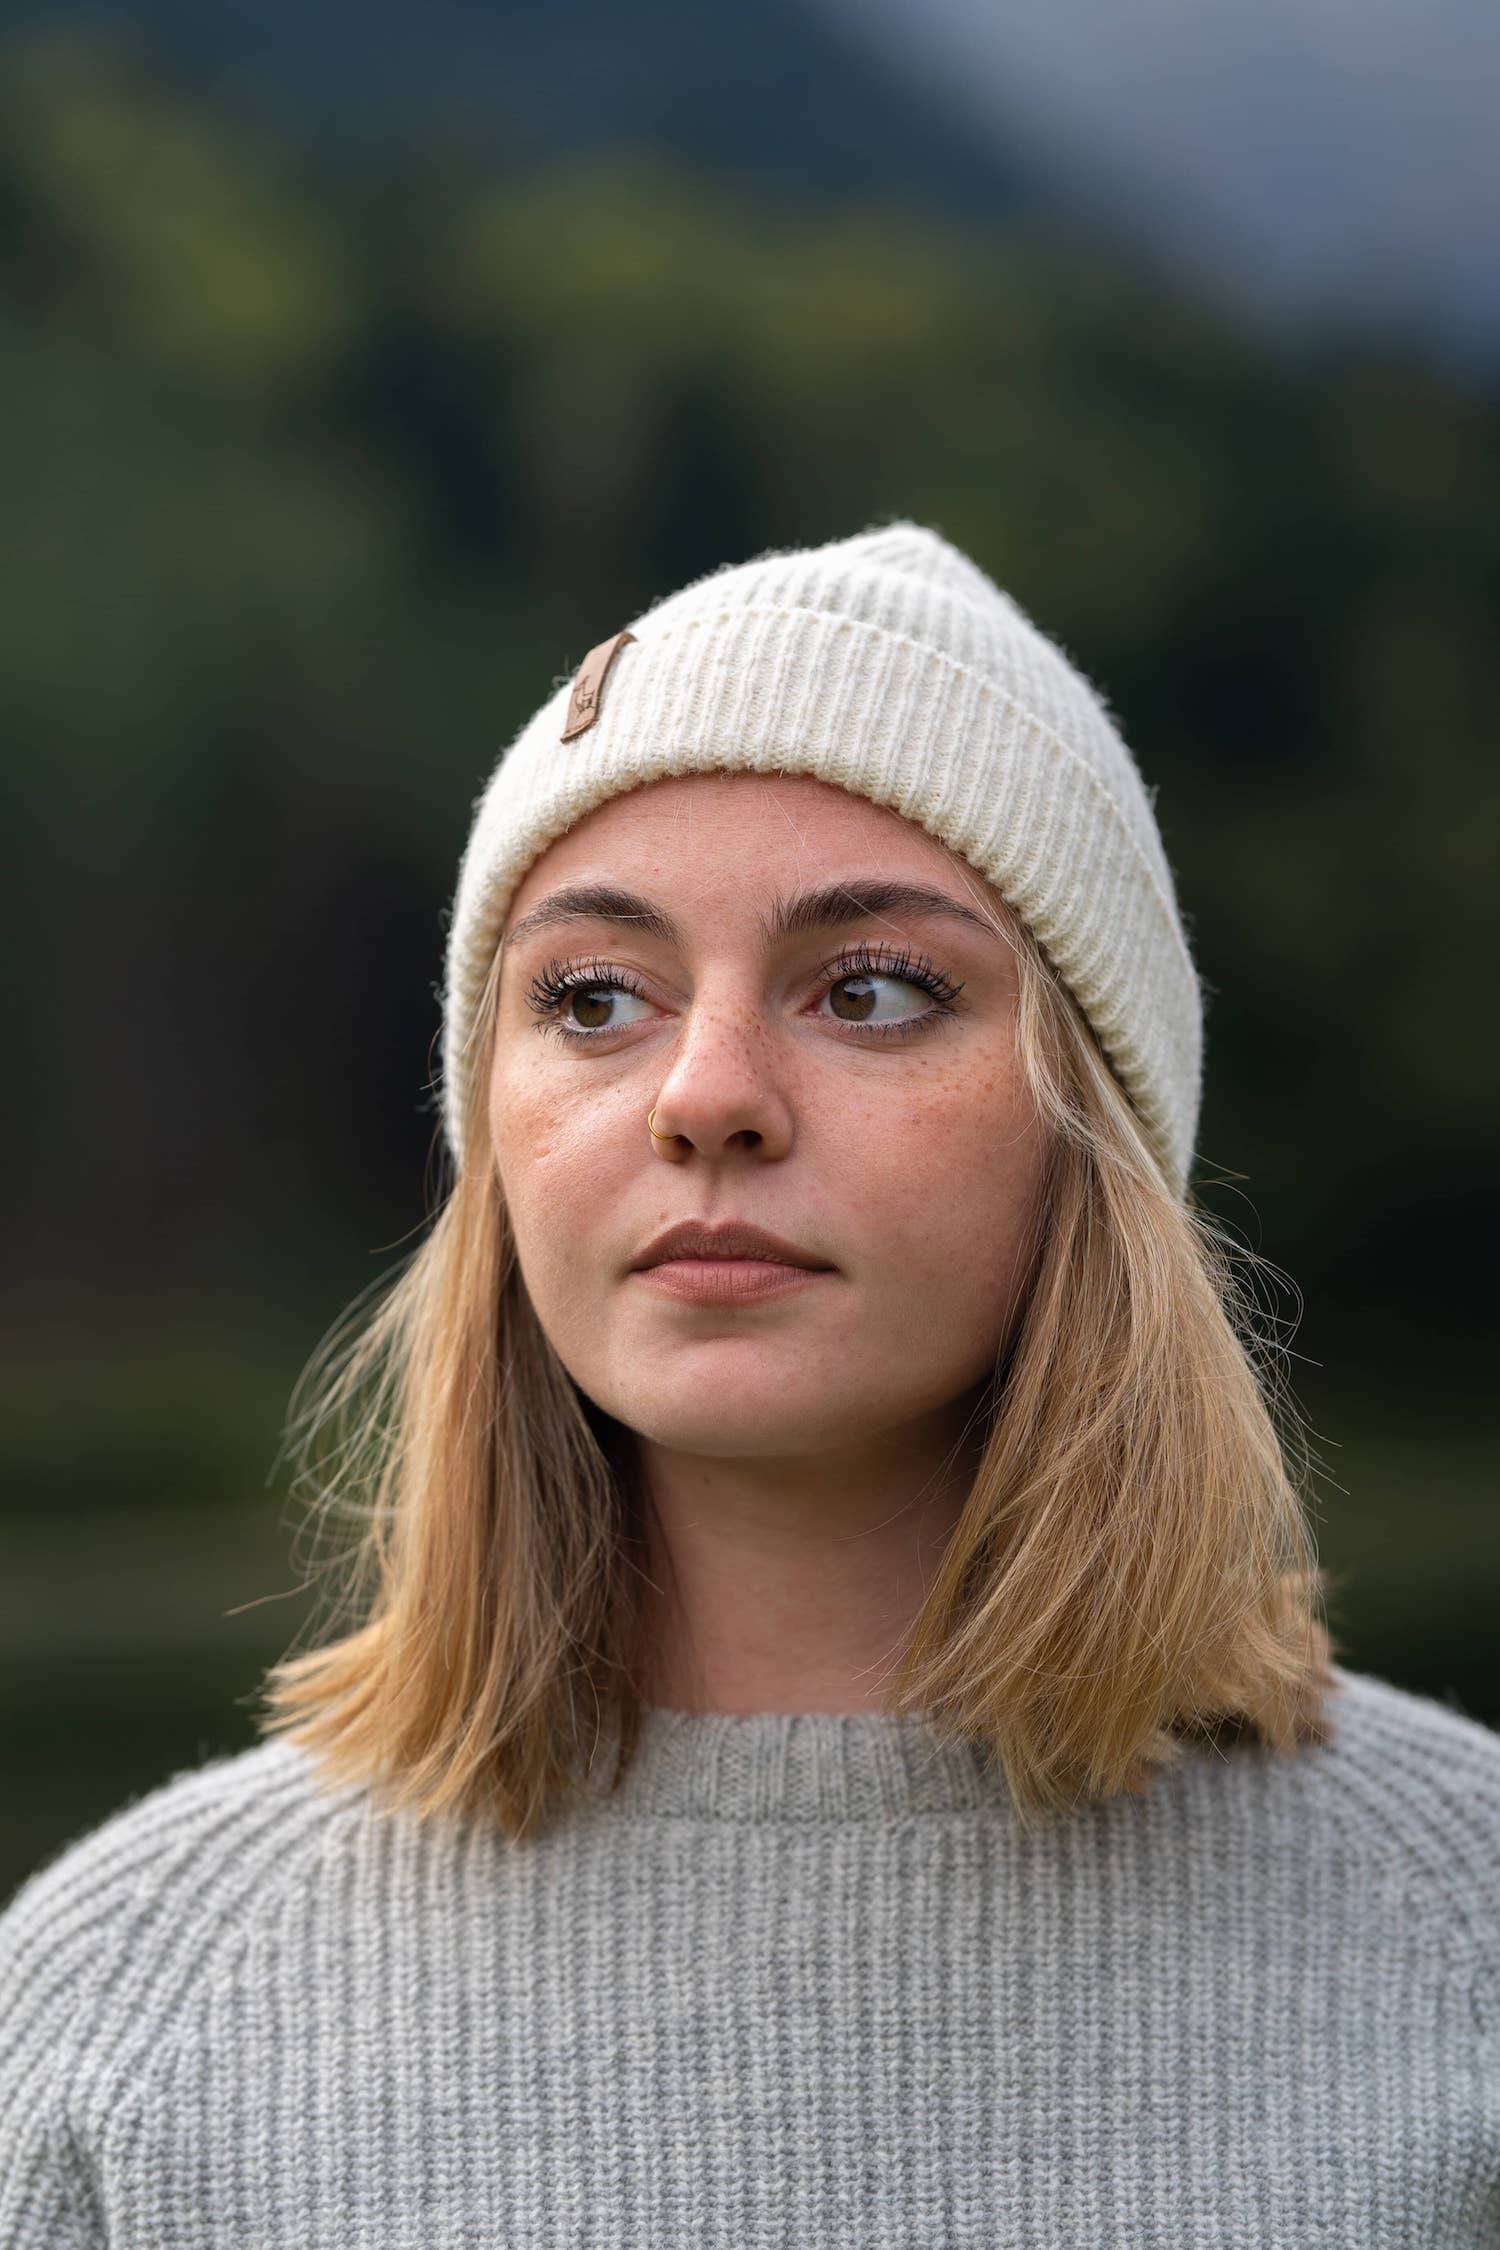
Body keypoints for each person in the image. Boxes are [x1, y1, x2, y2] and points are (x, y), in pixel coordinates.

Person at [2, 520, 1495, 2246]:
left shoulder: (1460, 1941)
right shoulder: (120, 2013)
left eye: (873, 989)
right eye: (594, 998)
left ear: (1097, 1125)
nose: (705, 1094)